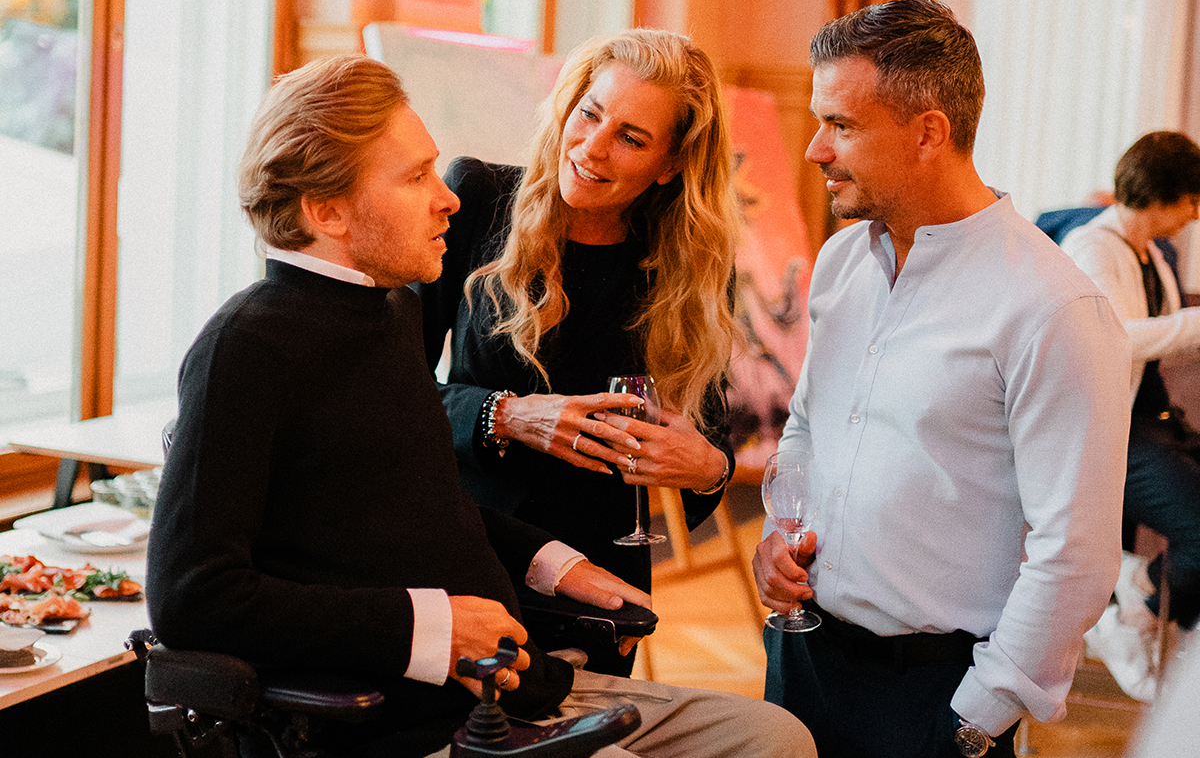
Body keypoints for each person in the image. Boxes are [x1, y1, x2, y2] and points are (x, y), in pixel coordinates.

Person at [146, 53, 816, 758]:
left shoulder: (385, 316)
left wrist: (551, 560)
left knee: (777, 737)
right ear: (326, 210)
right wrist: (431, 627)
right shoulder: (246, 345)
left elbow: (419, 505)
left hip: (512, 683)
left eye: (630, 136)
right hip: (415, 718)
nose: (449, 197)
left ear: (670, 164)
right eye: (417, 177)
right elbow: (193, 596)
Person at [750, 0, 1132, 758]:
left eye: (842, 125)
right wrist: (775, 535)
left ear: (929, 132)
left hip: (936, 696)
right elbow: (809, 428)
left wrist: (975, 719)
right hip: (802, 656)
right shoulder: (840, 261)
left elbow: (1076, 552)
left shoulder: (1053, 306)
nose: (815, 149)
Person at [413, 29, 739, 676]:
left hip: (602, 573)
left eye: (631, 138)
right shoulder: (477, 198)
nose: (591, 146)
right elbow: (392, 391)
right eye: (590, 113)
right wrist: (506, 414)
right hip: (471, 544)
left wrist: (709, 468)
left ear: (670, 164)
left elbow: (709, 439)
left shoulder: (692, 267)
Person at [1060, 131, 1200, 701]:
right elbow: (1114, 338)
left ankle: (1139, 581)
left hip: (1147, 422)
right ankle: (1132, 614)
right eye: (1191, 200)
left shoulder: (1151, 253)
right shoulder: (1092, 247)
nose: (1195, 214)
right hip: (1104, 433)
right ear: (1161, 195)